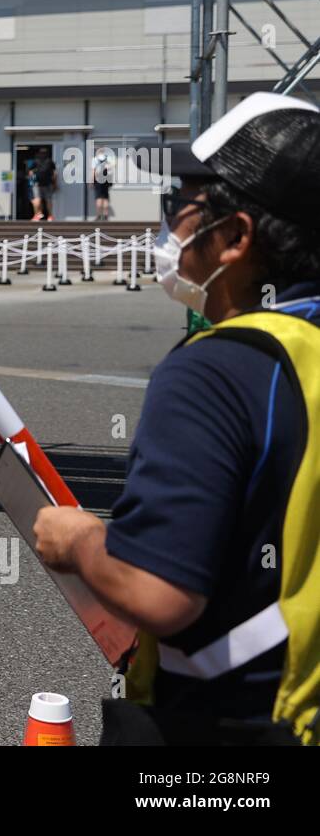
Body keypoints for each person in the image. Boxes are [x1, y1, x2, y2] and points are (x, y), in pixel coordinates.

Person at [33, 92, 320, 746]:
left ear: (236, 237)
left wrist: (77, 540)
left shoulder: (214, 370)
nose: (169, 229)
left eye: (181, 207)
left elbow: (160, 593)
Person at [29, 147, 57, 221]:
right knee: (48, 200)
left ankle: (37, 215)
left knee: (37, 199)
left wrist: (32, 181)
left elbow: (30, 173)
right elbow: (54, 174)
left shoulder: (35, 161)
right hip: (48, 183)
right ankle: (50, 216)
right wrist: (55, 184)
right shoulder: (50, 161)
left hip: (37, 183)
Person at [92, 148, 114, 221]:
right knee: (105, 198)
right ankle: (105, 215)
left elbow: (94, 171)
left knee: (99, 198)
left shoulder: (95, 159)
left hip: (99, 180)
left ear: (98, 152)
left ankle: (98, 215)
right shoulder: (108, 159)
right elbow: (111, 169)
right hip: (106, 180)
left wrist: (92, 181)